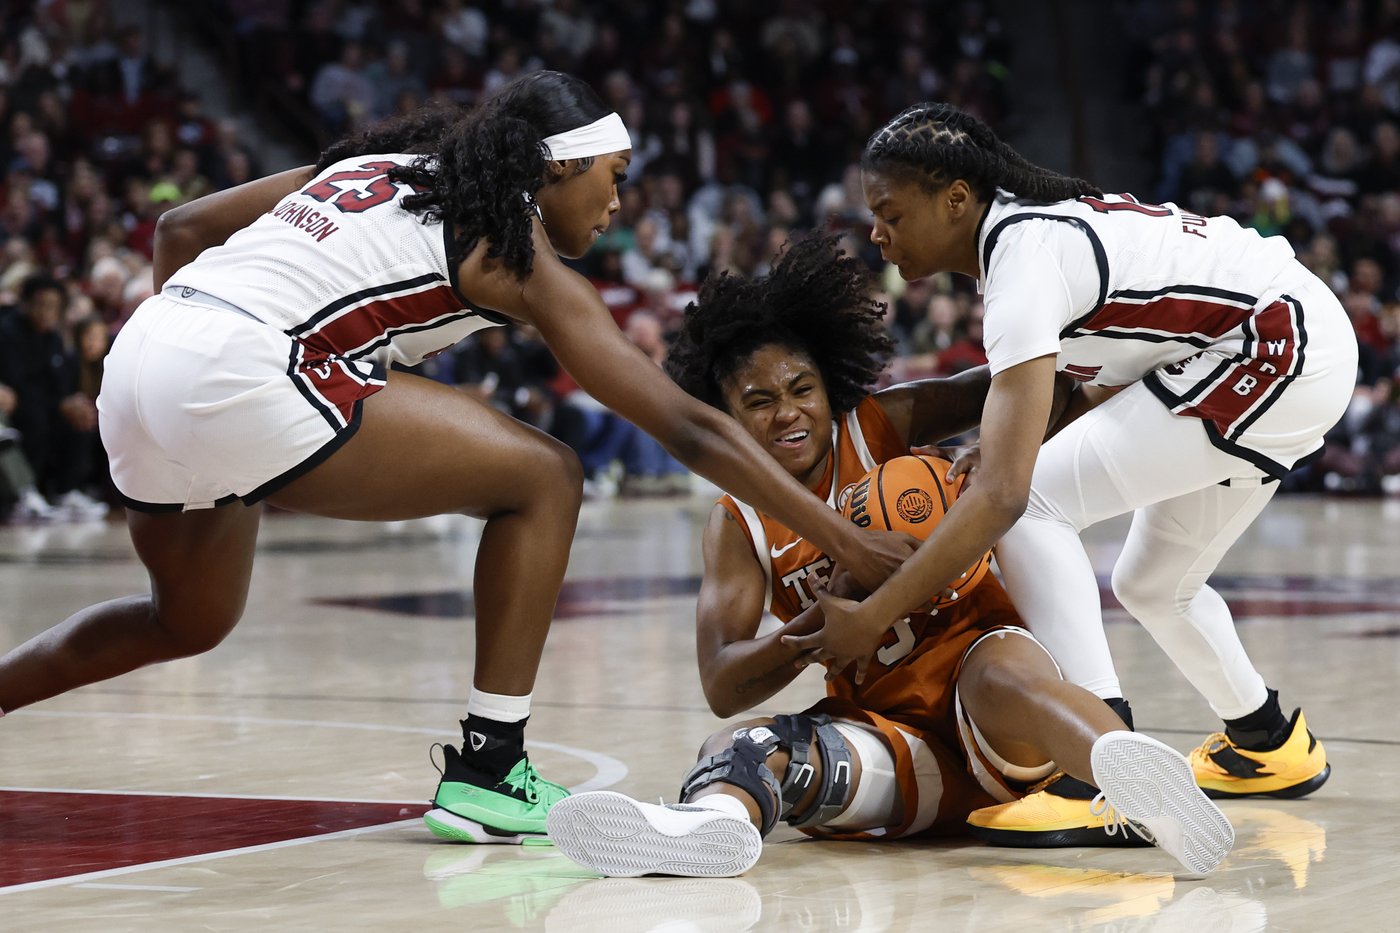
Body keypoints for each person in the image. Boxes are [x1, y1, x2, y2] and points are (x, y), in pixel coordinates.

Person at [0, 73, 911, 846]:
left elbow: (179, 230)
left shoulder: (370, 167)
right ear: (556, 168)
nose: (618, 201)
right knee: (546, 476)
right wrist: (848, 541)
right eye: (613, 176)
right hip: (248, 369)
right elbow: (692, 429)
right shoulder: (513, 249)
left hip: (144, 356)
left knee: (185, 621)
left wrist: (187, 378)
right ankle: (492, 765)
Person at [545, 235, 1233, 878]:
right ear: (720, 416)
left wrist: (998, 448)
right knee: (746, 744)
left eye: (801, 389)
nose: (788, 413)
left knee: (1002, 674)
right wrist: (816, 623)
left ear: (829, 386)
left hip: (987, 691)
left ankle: (1130, 785)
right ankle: (707, 825)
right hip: (900, 746)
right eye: (758, 401)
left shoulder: (882, 422)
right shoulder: (739, 523)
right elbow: (722, 679)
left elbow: (1034, 383)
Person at [782, 102, 1357, 843]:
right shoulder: (1030, 234)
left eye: (890, 211)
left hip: (1273, 350)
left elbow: (1005, 496)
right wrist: (993, 452)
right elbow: (1082, 385)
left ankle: (1099, 773)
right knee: (1153, 582)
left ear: (956, 199)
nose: (876, 232)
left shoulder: (1022, 261)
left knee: (1033, 506)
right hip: (1287, 346)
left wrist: (877, 611)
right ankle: (1269, 742)